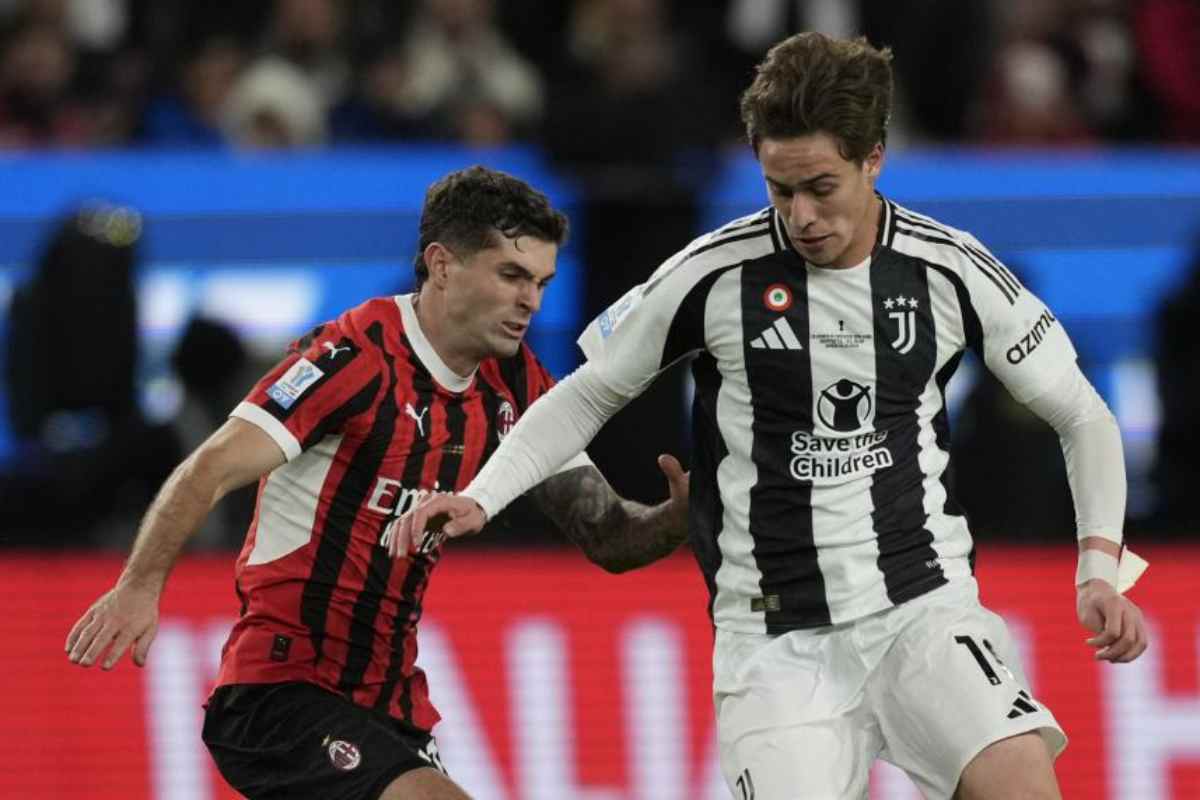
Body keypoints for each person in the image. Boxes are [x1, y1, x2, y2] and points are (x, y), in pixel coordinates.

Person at [394, 34, 1150, 800]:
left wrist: (1101, 571)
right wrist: (484, 495)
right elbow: (590, 393)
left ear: (873, 158)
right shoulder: (713, 275)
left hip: (923, 609)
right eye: (780, 190)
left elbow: (1083, 415)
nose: (802, 216)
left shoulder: (948, 269)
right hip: (774, 641)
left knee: (1021, 784)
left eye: (821, 187)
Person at [64, 166, 690, 800]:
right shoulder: (355, 358)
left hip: (392, 706)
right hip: (282, 690)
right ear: (442, 265)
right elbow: (210, 467)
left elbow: (609, 537)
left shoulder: (518, 384)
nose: (531, 301)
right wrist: (139, 586)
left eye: (541, 282)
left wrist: (678, 517)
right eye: (511, 275)